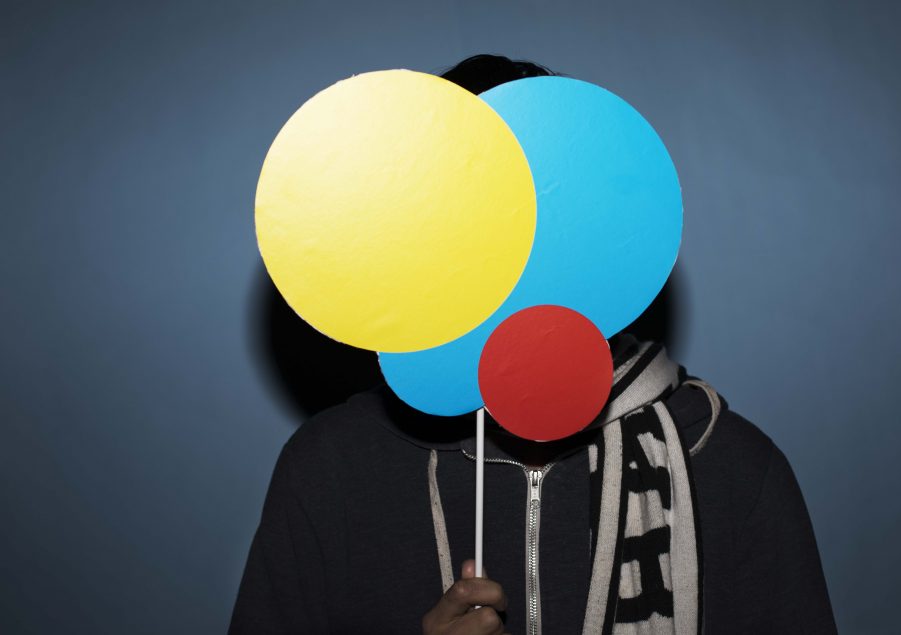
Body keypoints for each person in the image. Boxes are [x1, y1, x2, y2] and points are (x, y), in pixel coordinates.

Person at [229, 55, 838, 635]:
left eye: (542, 216)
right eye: (463, 217)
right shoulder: (331, 470)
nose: (509, 266)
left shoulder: (727, 466)